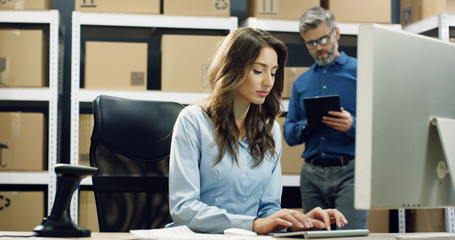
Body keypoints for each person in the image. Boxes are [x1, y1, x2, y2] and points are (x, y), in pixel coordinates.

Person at [167, 27, 348, 235]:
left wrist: (295, 221)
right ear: (232, 68)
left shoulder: (270, 129)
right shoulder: (193, 121)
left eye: (273, 72)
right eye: (258, 71)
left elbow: (268, 208)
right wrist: (252, 224)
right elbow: (184, 209)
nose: (268, 82)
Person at [283, 6, 368, 230]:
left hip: (350, 172)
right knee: (315, 235)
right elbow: (289, 134)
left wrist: (352, 125)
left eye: (323, 39)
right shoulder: (301, 82)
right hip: (311, 175)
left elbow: (381, 127)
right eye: (310, 43)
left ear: (336, 33)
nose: (318, 48)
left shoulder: (362, 73)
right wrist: (307, 125)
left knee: (351, 236)